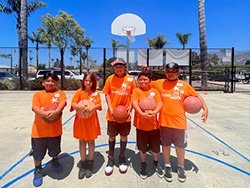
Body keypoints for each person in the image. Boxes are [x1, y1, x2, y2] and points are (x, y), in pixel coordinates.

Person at [152, 62, 208, 183]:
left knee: (180, 147)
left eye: (173, 72)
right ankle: (167, 165)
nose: (170, 74)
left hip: (179, 123)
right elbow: (144, 84)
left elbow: (197, 96)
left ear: (178, 73)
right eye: (168, 72)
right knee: (165, 146)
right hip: (164, 122)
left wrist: (205, 109)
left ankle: (180, 167)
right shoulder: (159, 83)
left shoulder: (184, 85)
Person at [31, 72, 67, 187]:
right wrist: (45, 114)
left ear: (56, 83)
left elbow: (63, 102)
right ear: (43, 83)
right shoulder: (38, 95)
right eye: (47, 81)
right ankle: (37, 169)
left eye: (53, 81)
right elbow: (34, 107)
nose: (50, 83)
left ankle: (55, 161)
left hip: (54, 130)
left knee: (54, 150)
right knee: (38, 153)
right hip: (39, 131)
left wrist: (56, 112)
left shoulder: (60, 93)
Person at [102, 57, 136, 175]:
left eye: (120, 65)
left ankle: (122, 156)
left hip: (125, 115)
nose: (118, 68)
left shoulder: (130, 80)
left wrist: (130, 108)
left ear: (124, 66)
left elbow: (134, 95)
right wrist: (111, 108)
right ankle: (111, 158)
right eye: (116, 66)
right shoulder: (110, 79)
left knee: (123, 136)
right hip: (112, 115)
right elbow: (106, 94)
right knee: (112, 137)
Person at [132, 70, 163, 179]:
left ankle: (156, 162)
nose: (142, 81)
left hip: (154, 126)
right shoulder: (136, 91)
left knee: (155, 148)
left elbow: (160, 103)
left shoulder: (154, 91)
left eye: (145, 79)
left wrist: (154, 112)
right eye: (140, 79)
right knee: (143, 148)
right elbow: (134, 103)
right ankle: (143, 164)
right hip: (140, 125)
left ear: (150, 80)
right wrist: (141, 113)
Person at [70, 73, 102, 179]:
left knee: (91, 141)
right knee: (82, 141)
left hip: (92, 121)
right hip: (81, 121)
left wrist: (92, 108)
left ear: (93, 82)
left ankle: (90, 163)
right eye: (86, 80)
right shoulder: (79, 92)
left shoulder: (95, 93)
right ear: (83, 81)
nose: (88, 82)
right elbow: (73, 104)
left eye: (90, 81)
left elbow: (99, 105)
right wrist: (80, 106)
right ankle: (83, 164)